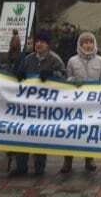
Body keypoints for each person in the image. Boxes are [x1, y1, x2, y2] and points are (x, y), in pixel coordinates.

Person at [9, 30, 66, 176]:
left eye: (42, 42)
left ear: (48, 45)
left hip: (45, 107)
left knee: (40, 136)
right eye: (37, 42)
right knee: (22, 134)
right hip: (27, 106)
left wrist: (52, 75)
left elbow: (64, 76)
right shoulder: (28, 59)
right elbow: (16, 75)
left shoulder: (54, 59)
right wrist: (19, 74)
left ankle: (39, 166)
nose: (38, 44)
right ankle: (21, 166)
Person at [61, 32, 101, 174]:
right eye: (84, 43)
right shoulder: (72, 61)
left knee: (89, 132)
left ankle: (89, 159)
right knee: (71, 132)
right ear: (80, 45)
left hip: (92, 104)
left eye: (90, 42)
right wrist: (72, 81)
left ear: (94, 44)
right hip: (75, 104)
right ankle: (67, 160)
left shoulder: (100, 61)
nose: (88, 45)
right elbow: (66, 79)